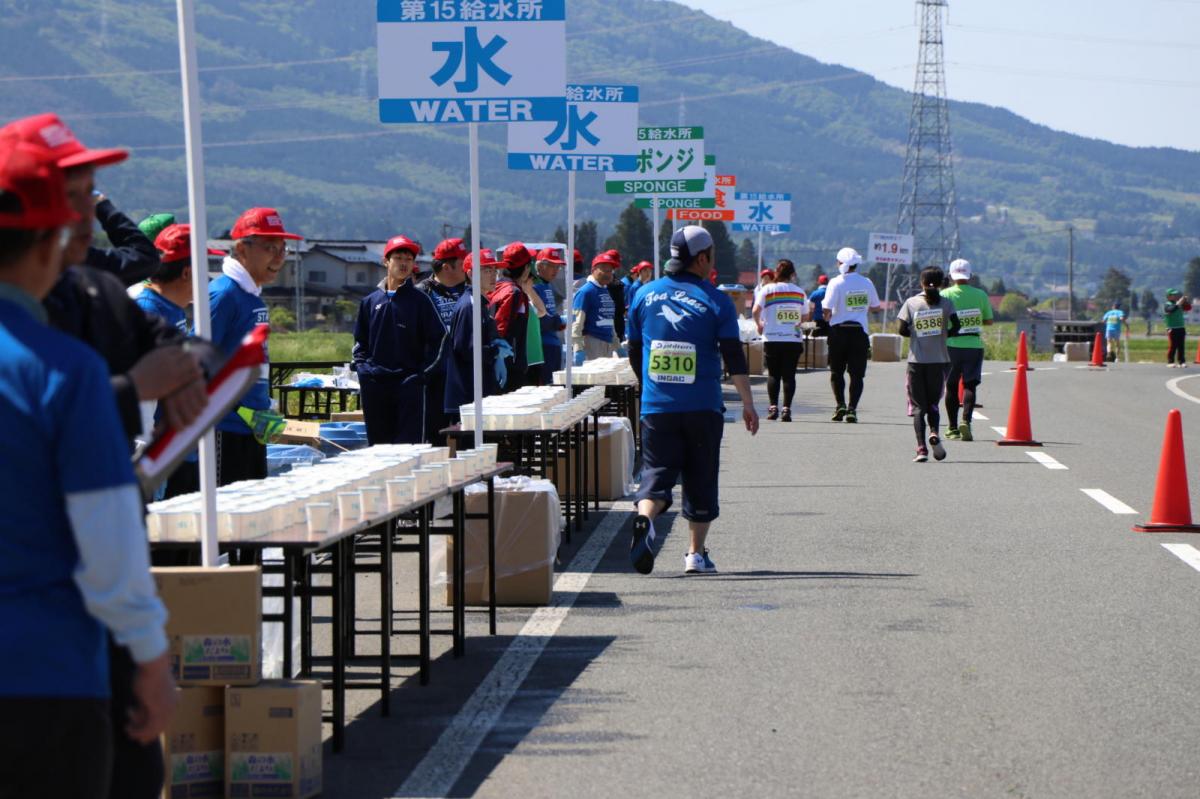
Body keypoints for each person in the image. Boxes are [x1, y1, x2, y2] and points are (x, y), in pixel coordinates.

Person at [0, 138, 175, 798]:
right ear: (48, 238)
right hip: (46, 674)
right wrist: (150, 657)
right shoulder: (65, 373)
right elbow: (108, 538)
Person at [627, 225, 759, 575]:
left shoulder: (644, 295)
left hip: (657, 405)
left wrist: (648, 385)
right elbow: (734, 356)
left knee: (656, 472)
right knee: (700, 478)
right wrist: (747, 403)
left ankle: (645, 519)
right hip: (702, 405)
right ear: (703, 258)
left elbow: (635, 349)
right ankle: (695, 555)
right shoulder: (715, 300)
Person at [210, 207, 297, 484]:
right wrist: (241, 410)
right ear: (242, 249)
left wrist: (264, 405)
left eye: (283, 249)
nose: (279, 257)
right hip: (226, 429)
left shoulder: (252, 296)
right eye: (270, 248)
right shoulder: (223, 295)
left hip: (253, 428)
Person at [137, 223, 220, 498]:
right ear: (187, 273)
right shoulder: (149, 312)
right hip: (149, 451)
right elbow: (141, 398)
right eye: (202, 270)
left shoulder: (171, 308)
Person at [353, 235, 446, 445]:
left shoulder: (421, 301)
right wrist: (365, 372)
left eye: (408, 259)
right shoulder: (369, 302)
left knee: (408, 448)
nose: (404, 263)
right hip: (375, 386)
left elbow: (440, 341)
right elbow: (360, 345)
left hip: (409, 386)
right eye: (398, 257)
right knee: (378, 446)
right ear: (386, 261)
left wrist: (419, 376)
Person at [897, 266, 961, 462]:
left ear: (921, 283)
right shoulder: (946, 303)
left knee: (918, 407)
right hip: (939, 361)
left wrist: (916, 335)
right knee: (933, 404)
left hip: (917, 361)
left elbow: (901, 329)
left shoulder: (911, 303)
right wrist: (942, 335)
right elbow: (956, 326)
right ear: (942, 283)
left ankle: (921, 448)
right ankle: (934, 431)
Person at [445, 248, 512, 413]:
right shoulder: (470, 305)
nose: (493, 275)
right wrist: (496, 351)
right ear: (470, 274)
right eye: (486, 270)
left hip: (478, 388)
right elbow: (466, 350)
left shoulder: (480, 303)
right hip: (468, 393)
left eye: (494, 270)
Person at [416, 238, 468, 442]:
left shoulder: (470, 290)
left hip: (464, 378)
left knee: (466, 437)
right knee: (434, 436)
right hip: (434, 378)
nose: (468, 267)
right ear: (447, 266)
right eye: (463, 262)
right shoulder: (422, 292)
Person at [823, 247, 881, 423]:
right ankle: (852, 409)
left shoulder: (836, 282)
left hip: (838, 331)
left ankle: (840, 404)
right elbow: (876, 306)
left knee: (836, 372)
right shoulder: (867, 282)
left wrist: (828, 317)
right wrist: (861, 308)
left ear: (840, 263)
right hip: (859, 332)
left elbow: (826, 308)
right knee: (857, 374)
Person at [942, 258, 994, 441]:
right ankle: (966, 421)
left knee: (951, 386)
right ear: (970, 275)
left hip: (951, 346)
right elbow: (989, 320)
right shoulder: (981, 295)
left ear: (950, 275)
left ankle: (952, 428)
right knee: (970, 385)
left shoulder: (946, 294)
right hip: (974, 345)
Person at [752, 259, 810, 422]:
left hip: (772, 338)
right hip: (793, 339)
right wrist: (800, 326)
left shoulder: (767, 290)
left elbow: (756, 310)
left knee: (773, 374)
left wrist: (759, 324)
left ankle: (773, 408)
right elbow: (805, 316)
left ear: (776, 273)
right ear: (793, 274)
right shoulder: (799, 292)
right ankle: (786, 409)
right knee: (789, 375)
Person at [572, 250, 619, 364]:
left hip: (607, 343)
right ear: (593, 270)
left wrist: (617, 345)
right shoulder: (586, 292)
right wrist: (578, 348)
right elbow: (576, 323)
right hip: (592, 342)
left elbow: (609, 320)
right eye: (604, 270)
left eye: (611, 270)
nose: (609, 274)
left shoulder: (604, 291)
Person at [532, 247, 566, 384]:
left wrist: (558, 321)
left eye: (558, 266)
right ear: (539, 266)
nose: (556, 270)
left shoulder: (548, 286)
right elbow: (538, 318)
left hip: (553, 342)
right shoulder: (534, 287)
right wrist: (557, 321)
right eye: (552, 266)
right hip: (542, 345)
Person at [603, 249, 627, 343]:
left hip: (609, 324)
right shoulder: (616, 284)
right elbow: (619, 306)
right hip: (615, 323)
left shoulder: (600, 281)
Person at [1164, 288, 1191, 367]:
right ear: (1168, 296)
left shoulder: (1178, 303)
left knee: (1181, 346)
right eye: (1173, 295)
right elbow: (1170, 310)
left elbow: (1188, 308)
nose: (1175, 296)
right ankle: (1170, 362)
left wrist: (1185, 301)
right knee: (1173, 346)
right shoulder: (1167, 304)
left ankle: (1181, 361)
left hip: (1181, 327)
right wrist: (1178, 304)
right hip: (1172, 328)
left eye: (1175, 294)